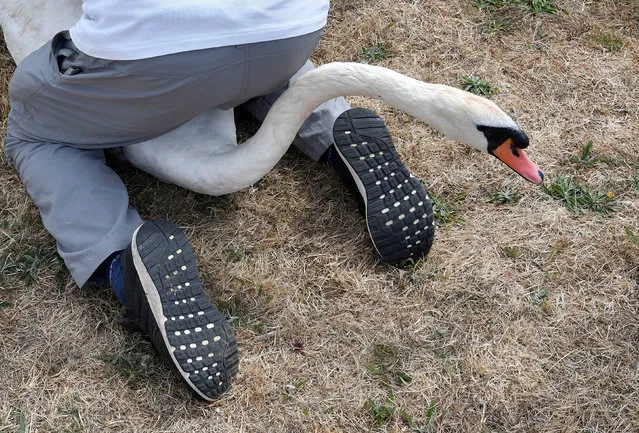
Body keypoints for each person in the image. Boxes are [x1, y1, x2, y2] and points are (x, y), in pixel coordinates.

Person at [3, 0, 433, 401]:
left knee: (34, 131)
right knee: (255, 36)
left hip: (152, 61)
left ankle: (122, 265)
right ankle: (337, 129)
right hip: (292, 32)